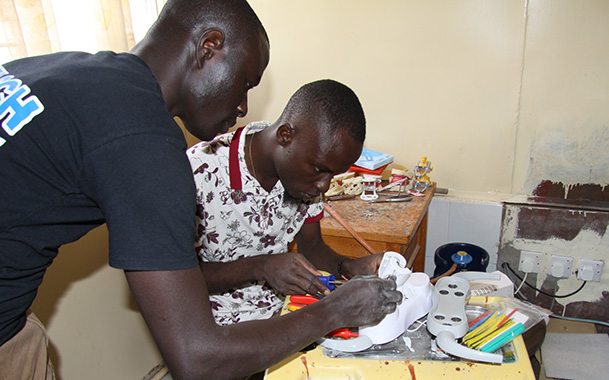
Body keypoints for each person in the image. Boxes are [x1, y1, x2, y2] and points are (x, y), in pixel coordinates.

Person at [0, 0, 402, 379]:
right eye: (245, 83)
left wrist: (345, 271)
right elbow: (197, 357)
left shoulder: (66, 71)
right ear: (209, 48)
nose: (244, 107)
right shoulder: (149, 147)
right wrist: (333, 312)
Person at [188, 79, 385, 326]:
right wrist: (260, 267)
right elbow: (180, 278)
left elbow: (311, 247)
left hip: (282, 317)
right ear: (285, 136)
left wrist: (348, 267)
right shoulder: (200, 170)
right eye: (320, 169)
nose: (324, 185)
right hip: (216, 329)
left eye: (332, 175)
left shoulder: (306, 179)